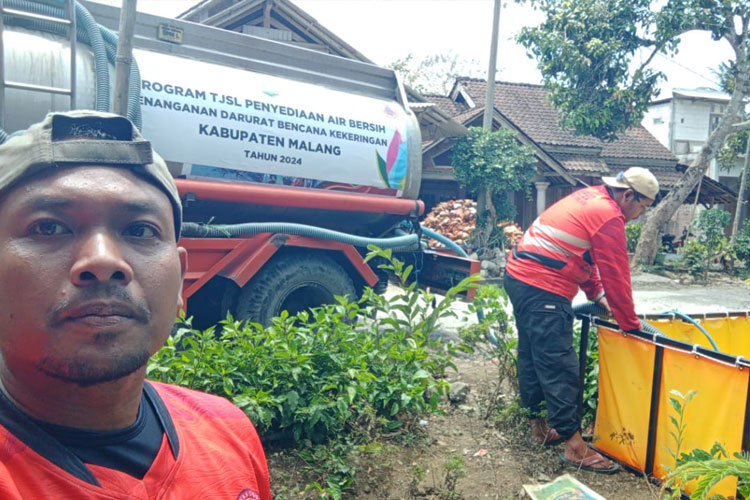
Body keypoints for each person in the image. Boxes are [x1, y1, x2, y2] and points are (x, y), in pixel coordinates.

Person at [0, 110, 272, 499]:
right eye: (49, 227)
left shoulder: (227, 429)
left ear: (180, 278)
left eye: (139, 230)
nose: (103, 260)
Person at [504, 167, 659, 474]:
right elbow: (616, 273)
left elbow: (580, 256)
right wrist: (629, 323)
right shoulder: (609, 215)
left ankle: (540, 428)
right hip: (542, 286)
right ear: (628, 195)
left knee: (534, 356)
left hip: (519, 277)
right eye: (643, 207)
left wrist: (596, 293)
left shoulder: (590, 198)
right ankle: (574, 447)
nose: (640, 215)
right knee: (559, 364)